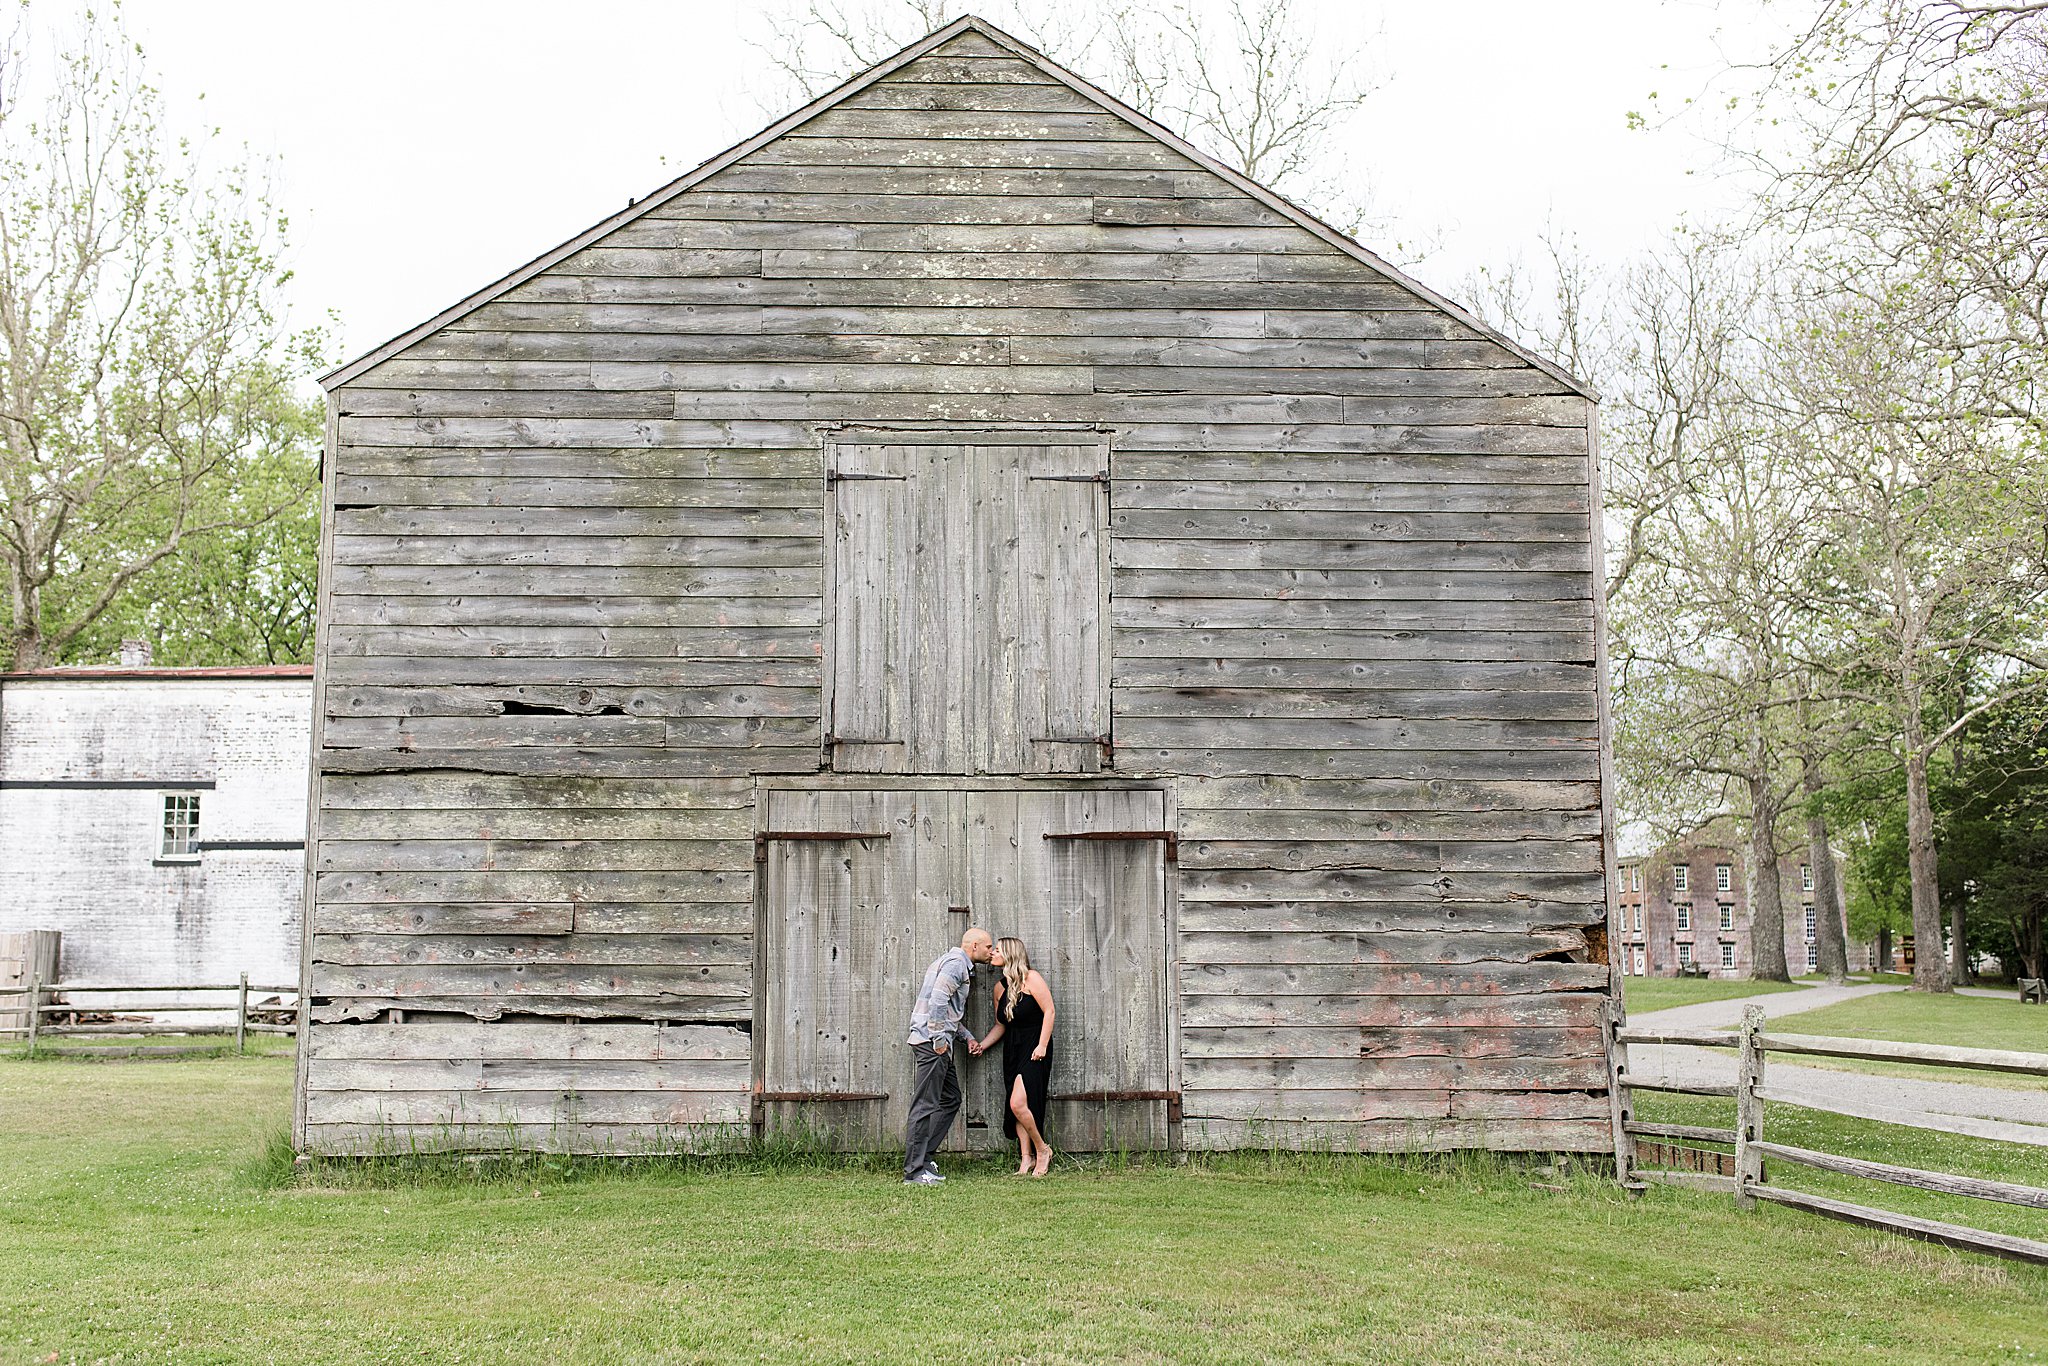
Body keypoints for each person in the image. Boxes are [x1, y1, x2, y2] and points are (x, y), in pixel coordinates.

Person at [902, 927, 1003, 1185]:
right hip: (932, 1043)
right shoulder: (957, 964)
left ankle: (924, 1158)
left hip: (938, 1041)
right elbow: (937, 1002)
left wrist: (967, 1037)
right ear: (974, 947)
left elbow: (947, 1011)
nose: (991, 952)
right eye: (988, 947)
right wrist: (938, 1041)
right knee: (925, 1105)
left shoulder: (951, 962)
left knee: (950, 1098)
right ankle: (914, 1172)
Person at [974, 935, 1056, 1178]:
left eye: (997, 950)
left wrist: (1042, 1045)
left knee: (1018, 1103)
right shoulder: (1000, 988)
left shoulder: (1032, 978)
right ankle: (1026, 1158)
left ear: (1010, 954)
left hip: (1034, 1047)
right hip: (1013, 1048)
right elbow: (1001, 1025)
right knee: (1019, 1106)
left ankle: (1043, 1150)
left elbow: (1049, 1011)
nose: (992, 954)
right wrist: (982, 1045)